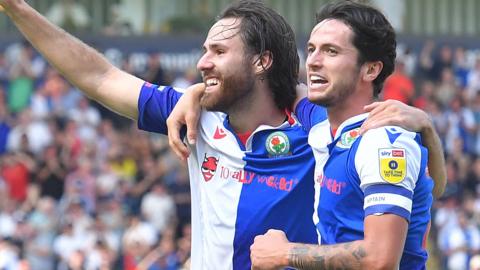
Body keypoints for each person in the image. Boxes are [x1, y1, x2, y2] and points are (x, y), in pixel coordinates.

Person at [0, 1, 445, 269]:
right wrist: (18, 9)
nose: (203, 63)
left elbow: (404, 171)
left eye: (218, 51)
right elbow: (99, 76)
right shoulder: (194, 117)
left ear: (261, 62)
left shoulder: (313, 125)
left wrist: (425, 127)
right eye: (203, 52)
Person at [248, 1, 436, 269]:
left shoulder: (382, 141)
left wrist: (284, 253)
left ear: (370, 69)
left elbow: (381, 258)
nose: (313, 61)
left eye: (331, 51)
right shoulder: (322, 123)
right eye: (312, 49)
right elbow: (285, 89)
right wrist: (195, 97)